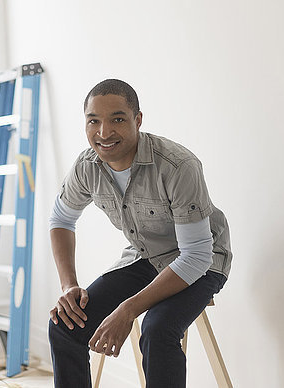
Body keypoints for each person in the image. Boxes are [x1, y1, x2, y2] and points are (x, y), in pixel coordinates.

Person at [47, 79, 232, 388]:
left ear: (137, 120)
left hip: (202, 263)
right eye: (94, 121)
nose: (104, 133)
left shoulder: (177, 166)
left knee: (157, 330)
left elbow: (196, 256)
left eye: (117, 119)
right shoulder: (86, 167)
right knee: (65, 325)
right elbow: (61, 219)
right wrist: (69, 285)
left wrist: (129, 309)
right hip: (146, 257)